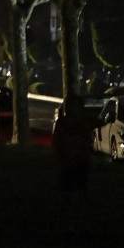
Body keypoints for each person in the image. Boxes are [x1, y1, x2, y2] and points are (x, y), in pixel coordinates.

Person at [51, 93, 99, 234]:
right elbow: (58, 142)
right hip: (69, 161)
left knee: (78, 193)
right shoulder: (68, 122)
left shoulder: (79, 121)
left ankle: (78, 221)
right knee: (71, 194)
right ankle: (73, 222)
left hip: (79, 160)